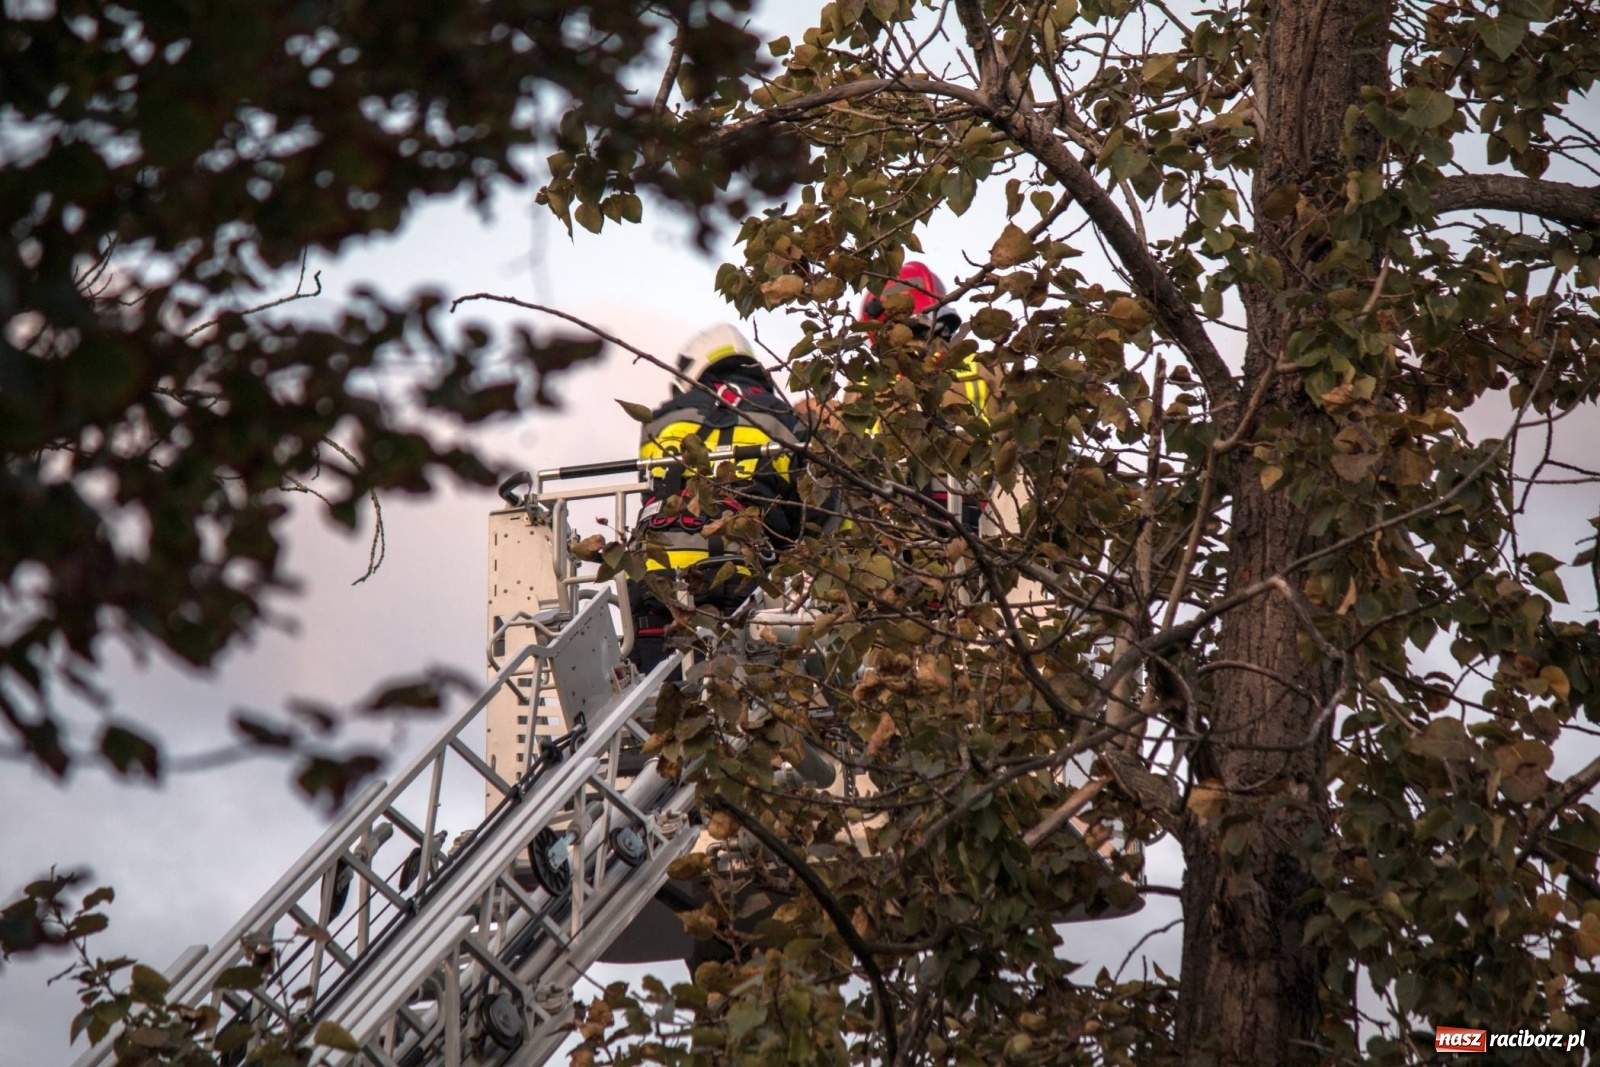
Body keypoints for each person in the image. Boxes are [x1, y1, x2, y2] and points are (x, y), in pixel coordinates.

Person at [627, 323, 808, 673]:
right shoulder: (784, 417)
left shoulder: (663, 419)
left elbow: (653, 492)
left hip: (658, 575)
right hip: (743, 578)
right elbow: (812, 513)